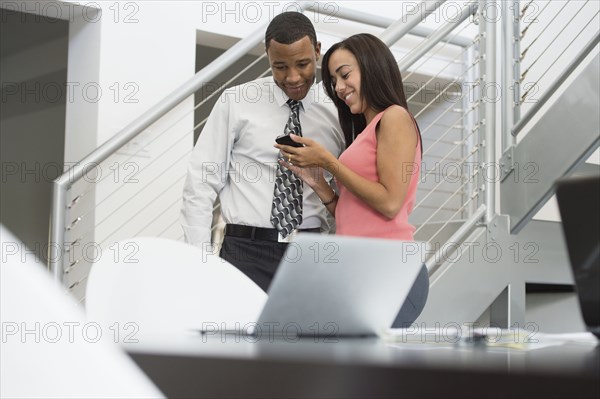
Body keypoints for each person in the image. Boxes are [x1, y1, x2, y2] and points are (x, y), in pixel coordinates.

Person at [181, 12, 345, 292]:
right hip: (246, 253)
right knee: (236, 335)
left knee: (308, 336)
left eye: (302, 64)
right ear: (267, 55)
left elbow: (348, 191)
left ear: (318, 52)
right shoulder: (237, 102)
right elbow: (200, 184)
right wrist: (200, 264)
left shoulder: (337, 112)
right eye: (279, 66)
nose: (292, 77)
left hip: (313, 252)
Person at [275, 33, 428, 327]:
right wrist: (319, 182)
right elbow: (357, 214)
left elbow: (390, 203)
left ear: (372, 67)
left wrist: (329, 162)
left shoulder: (394, 117)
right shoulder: (364, 132)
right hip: (359, 268)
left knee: (364, 365)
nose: (339, 87)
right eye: (334, 80)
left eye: (345, 75)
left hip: (391, 269)